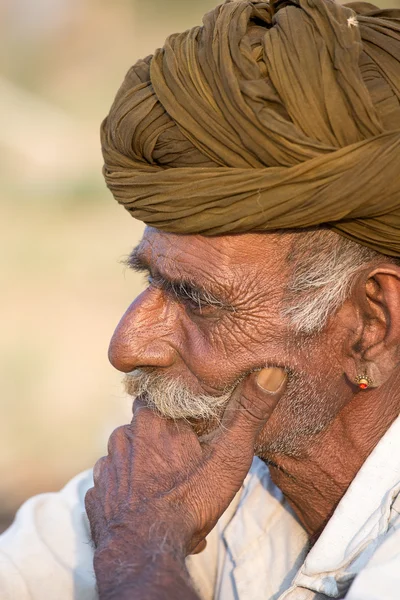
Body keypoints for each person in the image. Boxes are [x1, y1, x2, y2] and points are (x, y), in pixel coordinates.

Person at [1, 0, 400, 598]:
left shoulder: (152, 519)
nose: (128, 347)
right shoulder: (212, 471)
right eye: (152, 282)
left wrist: (139, 555)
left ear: (373, 322)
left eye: (198, 300)